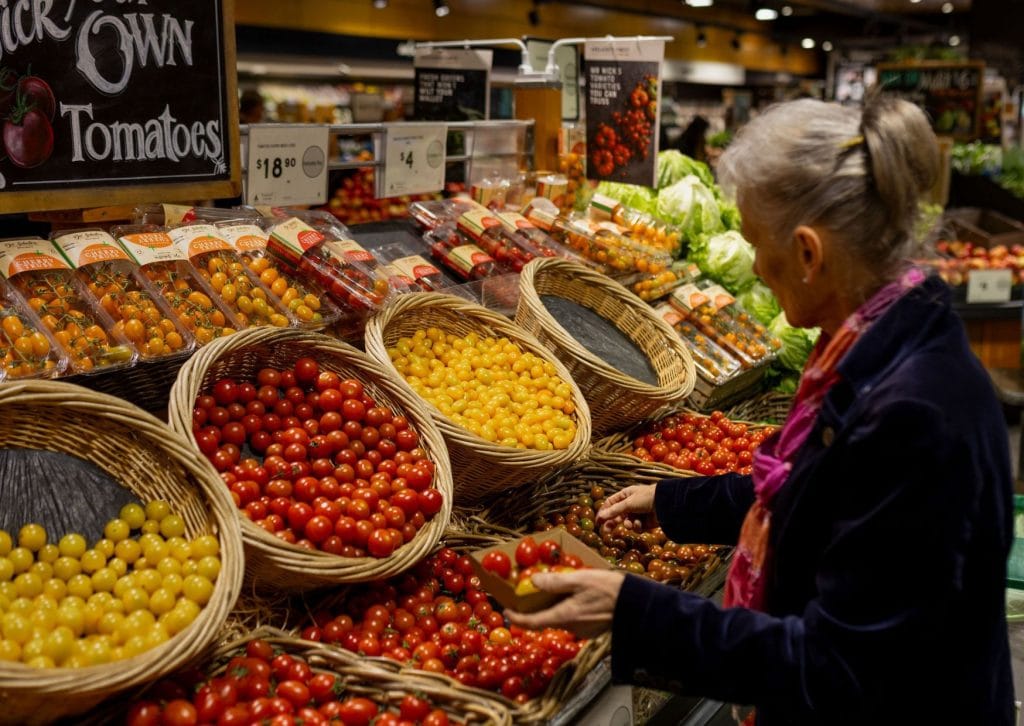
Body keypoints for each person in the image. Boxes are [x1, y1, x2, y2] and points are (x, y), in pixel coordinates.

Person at [507, 96, 1015, 725]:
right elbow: (819, 491)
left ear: (808, 253)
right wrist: (672, 503)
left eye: (754, 242)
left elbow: (842, 667)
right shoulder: (881, 343)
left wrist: (638, 613)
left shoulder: (913, 414)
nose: (752, 266)